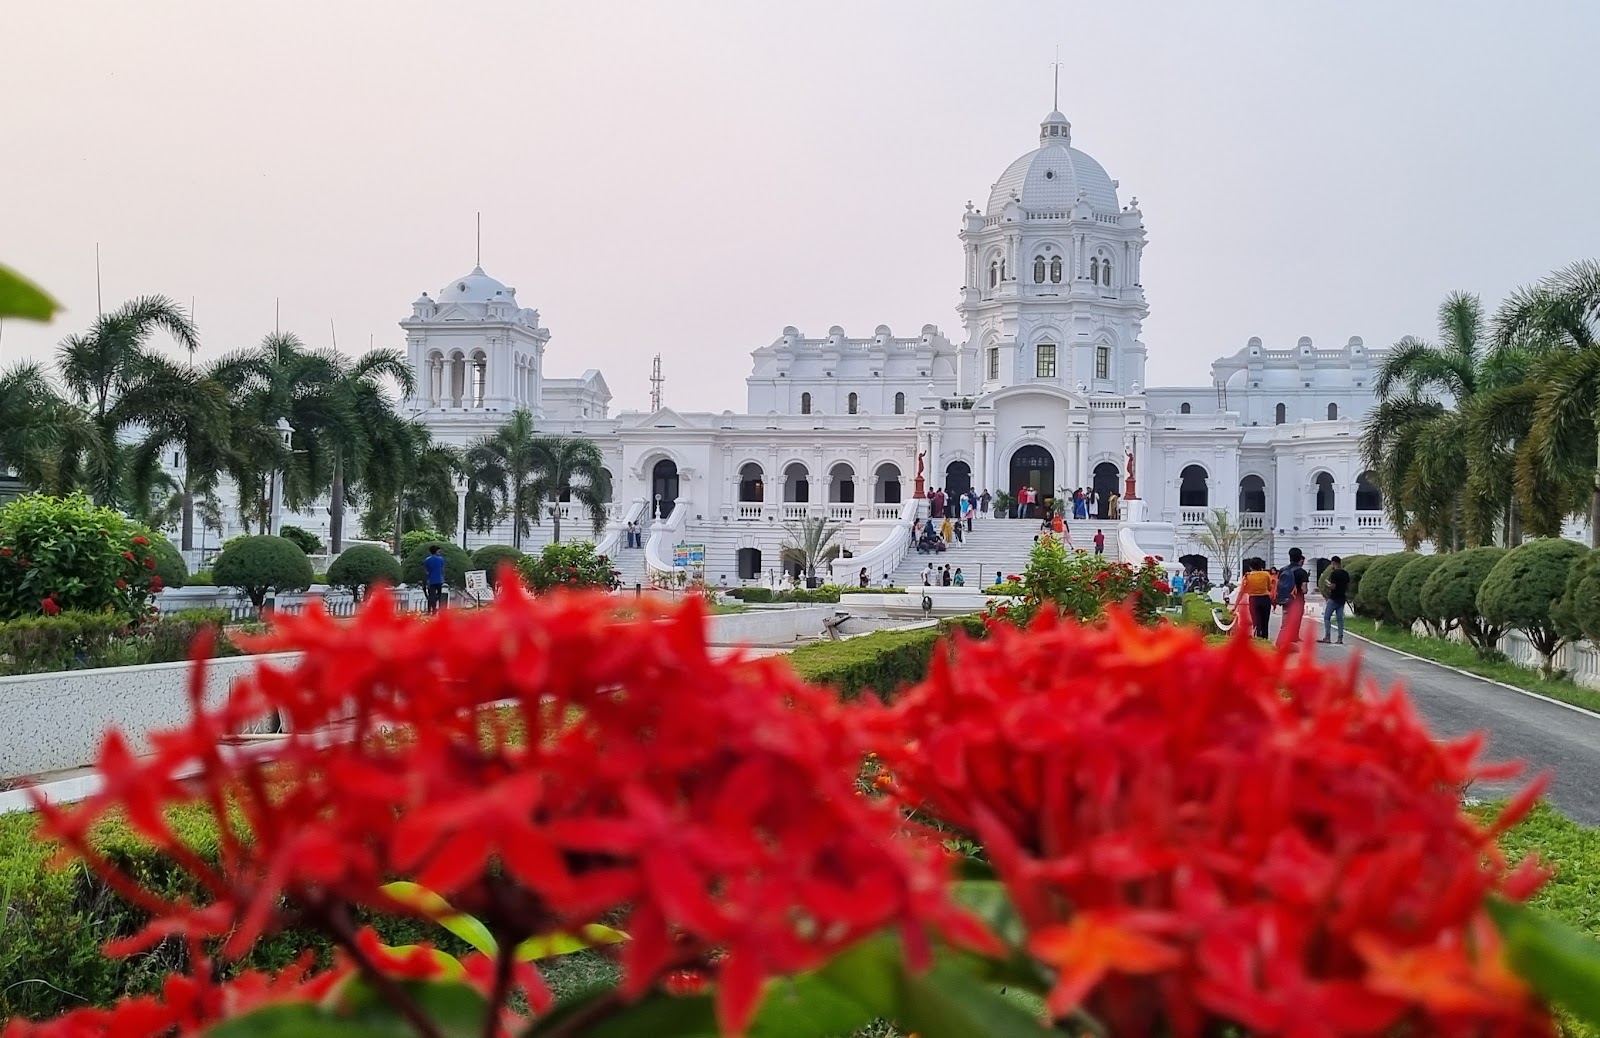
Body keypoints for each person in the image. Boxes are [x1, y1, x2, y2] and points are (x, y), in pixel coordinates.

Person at [1275, 548, 1310, 652]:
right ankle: (1283, 644)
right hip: (1297, 600)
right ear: (1300, 557)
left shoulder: (1283, 570)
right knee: (1293, 622)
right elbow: (1304, 590)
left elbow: (1278, 584)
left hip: (1285, 599)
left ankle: (1283, 642)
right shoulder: (1301, 572)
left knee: (1285, 621)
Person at [1320, 555, 1349, 644]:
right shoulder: (1346, 574)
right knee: (1340, 619)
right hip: (1342, 598)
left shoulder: (1334, 574)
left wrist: (1328, 585)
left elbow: (1333, 586)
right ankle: (1340, 638)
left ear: (1333, 563)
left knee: (1327, 617)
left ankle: (1327, 637)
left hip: (1334, 598)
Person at [423, 544, 447, 614]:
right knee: (439, 595)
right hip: (439, 580)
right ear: (436, 551)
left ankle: (433, 609)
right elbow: (442, 569)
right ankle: (440, 609)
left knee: (431, 596)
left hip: (431, 580)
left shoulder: (427, 560)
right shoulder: (441, 559)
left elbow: (426, 571)